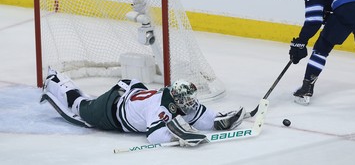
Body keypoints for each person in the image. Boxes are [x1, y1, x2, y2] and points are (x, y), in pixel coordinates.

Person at [40, 67, 246, 146]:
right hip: (111, 110)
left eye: (191, 99)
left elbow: (198, 115)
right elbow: (154, 135)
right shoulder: (160, 108)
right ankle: (55, 80)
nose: (191, 103)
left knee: (185, 117)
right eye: (187, 100)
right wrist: (176, 135)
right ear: (177, 99)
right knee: (80, 106)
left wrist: (217, 120)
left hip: (132, 91)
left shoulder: (177, 99)